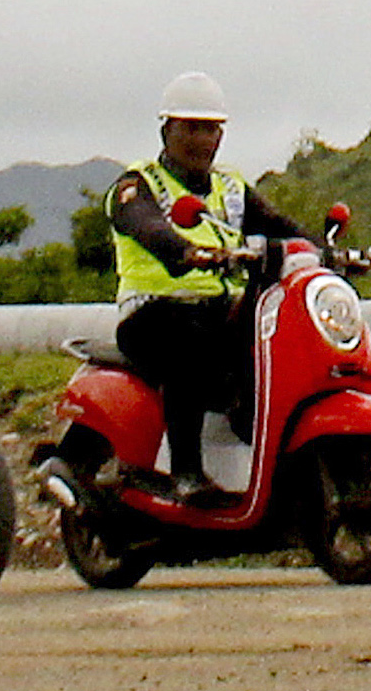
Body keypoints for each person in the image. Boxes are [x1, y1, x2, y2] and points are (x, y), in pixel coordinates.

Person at [106, 71, 311, 491]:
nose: (202, 140)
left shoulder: (231, 189)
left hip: (222, 311)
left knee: (282, 336)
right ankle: (186, 471)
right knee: (188, 339)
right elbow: (147, 226)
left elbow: (278, 226)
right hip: (152, 314)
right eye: (191, 128)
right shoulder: (137, 184)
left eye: (211, 129)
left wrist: (321, 251)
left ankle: (277, 461)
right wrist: (184, 251)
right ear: (166, 130)